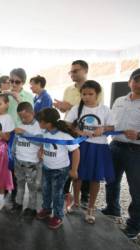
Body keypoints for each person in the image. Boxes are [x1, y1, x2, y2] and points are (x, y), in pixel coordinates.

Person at [53, 60, 101, 210]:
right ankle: (68, 196)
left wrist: (70, 106)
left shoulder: (95, 87)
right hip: (71, 132)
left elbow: (94, 109)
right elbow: (66, 113)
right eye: (71, 71)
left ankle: (85, 199)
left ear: (85, 71)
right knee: (72, 165)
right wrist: (61, 107)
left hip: (90, 136)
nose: (72, 74)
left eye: (76, 71)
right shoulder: (68, 90)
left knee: (87, 167)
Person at [65, 80, 115, 224]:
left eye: (90, 94)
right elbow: (67, 124)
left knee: (95, 178)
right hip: (80, 147)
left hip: (99, 148)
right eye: (84, 94)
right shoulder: (76, 108)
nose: (87, 97)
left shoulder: (105, 109)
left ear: (97, 94)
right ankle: (75, 202)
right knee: (77, 175)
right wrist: (78, 131)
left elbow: (112, 126)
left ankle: (91, 208)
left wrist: (103, 129)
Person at [102, 68, 140, 239]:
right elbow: (113, 122)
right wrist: (103, 128)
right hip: (115, 146)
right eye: (136, 80)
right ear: (129, 82)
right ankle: (112, 209)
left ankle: (133, 226)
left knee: (136, 189)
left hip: (136, 151)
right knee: (111, 181)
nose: (138, 84)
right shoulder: (119, 100)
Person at [35, 108, 80, 230]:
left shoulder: (64, 136)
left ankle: (58, 215)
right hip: (47, 167)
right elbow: (44, 144)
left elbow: (76, 151)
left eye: (41, 121)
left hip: (60, 170)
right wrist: (41, 151)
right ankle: (46, 209)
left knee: (57, 193)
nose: (39, 124)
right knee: (45, 190)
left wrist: (74, 170)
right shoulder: (45, 133)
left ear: (48, 123)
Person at [11, 102, 43, 217]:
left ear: (33, 113)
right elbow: (16, 139)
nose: (23, 119)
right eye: (21, 117)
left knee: (32, 186)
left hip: (31, 162)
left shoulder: (38, 126)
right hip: (19, 160)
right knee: (19, 183)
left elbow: (39, 141)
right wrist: (13, 151)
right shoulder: (21, 124)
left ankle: (32, 208)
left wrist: (24, 133)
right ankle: (18, 203)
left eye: (26, 116)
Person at [7, 68, 34, 202]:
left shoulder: (28, 96)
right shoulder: (6, 94)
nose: (13, 84)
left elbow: (29, 116)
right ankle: (6, 187)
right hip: (6, 134)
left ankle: (17, 193)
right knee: (6, 163)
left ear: (23, 82)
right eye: (11, 81)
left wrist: (18, 99)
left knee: (18, 165)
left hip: (21, 135)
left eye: (17, 82)